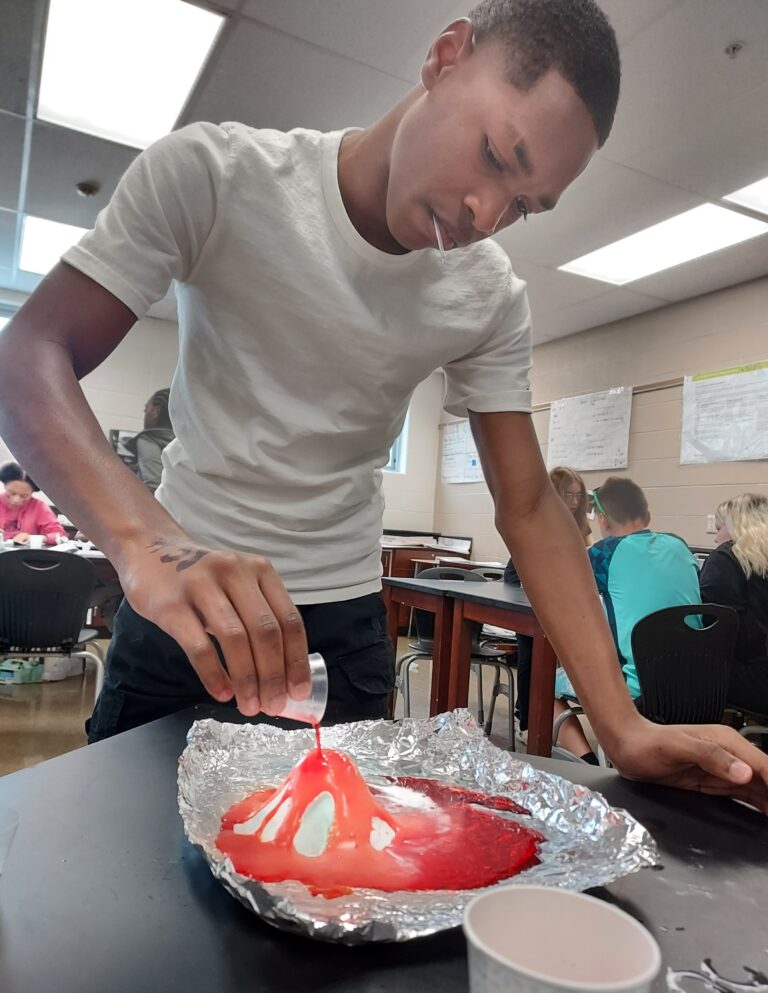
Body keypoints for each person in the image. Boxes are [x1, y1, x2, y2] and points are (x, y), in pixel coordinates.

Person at [0, 1, 766, 809]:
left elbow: (533, 505)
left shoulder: (488, 297)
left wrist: (622, 725)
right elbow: (29, 355)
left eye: (526, 205)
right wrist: (146, 545)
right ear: (445, 56)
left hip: (341, 630)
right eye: (497, 156)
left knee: (334, 897)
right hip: (182, 616)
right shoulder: (216, 175)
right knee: (124, 871)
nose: (486, 215)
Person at [553, 477, 701, 760]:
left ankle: (587, 762)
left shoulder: (602, 554)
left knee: (545, 680)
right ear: (647, 516)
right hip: (697, 683)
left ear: (603, 521)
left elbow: (562, 595)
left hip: (637, 687)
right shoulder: (680, 545)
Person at [504, 465, 591, 735]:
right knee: (530, 650)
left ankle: (541, 715)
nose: (575, 502)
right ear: (555, 493)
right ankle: (527, 721)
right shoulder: (537, 519)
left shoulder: (578, 524)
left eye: (579, 496)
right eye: (569, 495)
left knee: (550, 653)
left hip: (552, 585)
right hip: (522, 581)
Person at [700, 494, 768, 716]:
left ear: (735, 528)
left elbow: (711, 627)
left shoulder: (726, 557)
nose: (715, 538)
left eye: (719, 529)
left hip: (752, 680)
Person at [0, 462, 67, 545]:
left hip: (24, 556)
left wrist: (36, 538)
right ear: (5, 486)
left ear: (32, 492)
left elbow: (59, 535)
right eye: (11, 493)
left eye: (24, 496)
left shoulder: (39, 507)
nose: (16, 500)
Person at [123, 388, 175, 494]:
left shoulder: (148, 439)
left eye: (146, 409)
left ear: (156, 411)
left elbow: (153, 486)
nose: (145, 413)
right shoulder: (182, 442)